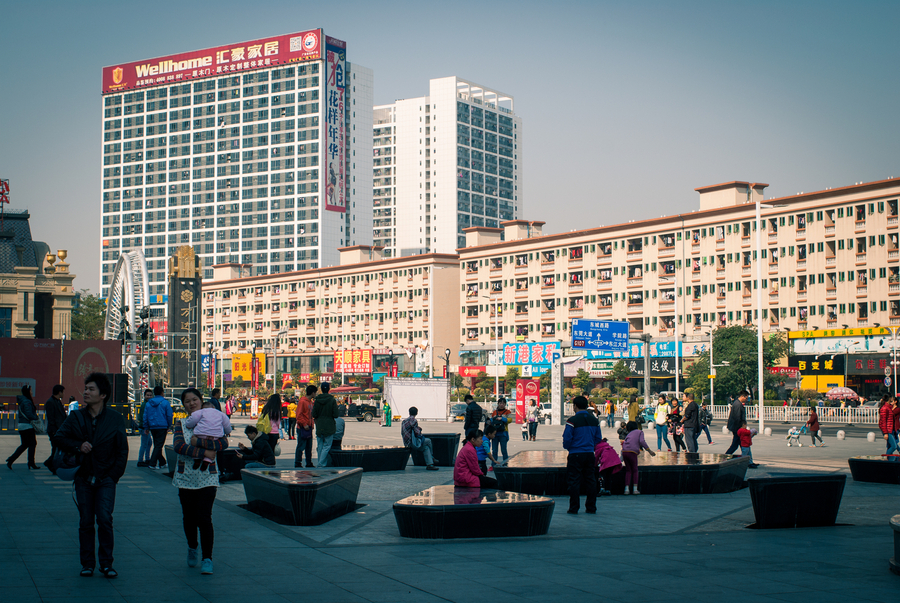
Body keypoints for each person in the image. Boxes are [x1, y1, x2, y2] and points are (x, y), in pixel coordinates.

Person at [52, 373, 128, 578]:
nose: (86, 392)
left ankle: (106, 563)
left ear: (103, 394)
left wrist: (114, 476)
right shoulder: (76, 416)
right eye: (85, 388)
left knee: (104, 519)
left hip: (106, 478)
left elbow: (122, 450)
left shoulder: (115, 419)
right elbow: (59, 438)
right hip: (83, 477)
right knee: (86, 521)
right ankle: (87, 563)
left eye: (91, 389)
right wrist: (78, 446)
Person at [172, 387, 228, 576]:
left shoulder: (212, 419)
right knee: (189, 518)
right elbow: (179, 446)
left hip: (208, 477)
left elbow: (223, 443)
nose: (192, 403)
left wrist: (199, 443)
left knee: (204, 518)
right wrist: (205, 452)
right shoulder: (181, 424)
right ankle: (192, 546)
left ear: (200, 400)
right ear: (184, 405)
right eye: (187, 401)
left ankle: (207, 558)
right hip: (185, 477)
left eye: (194, 399)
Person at [562, 396, 603, 514]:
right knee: (590, 480)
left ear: (575, 406)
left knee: (574, 481)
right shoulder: (594, 421)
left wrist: (569, 447)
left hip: (575, 454)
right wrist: (590, 446)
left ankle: (574, 508)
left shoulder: (572, 421)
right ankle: (591, 507)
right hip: (590, 454)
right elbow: (598, 438)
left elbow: (567, 438)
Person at [183, 399, 232, 471]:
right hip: (215, 436)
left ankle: (197, 459)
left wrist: (188, 425)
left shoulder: (201, 412)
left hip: (201, 434)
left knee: (197, 445)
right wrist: (227, 432)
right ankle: (207, 461)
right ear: (213, 407)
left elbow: (193, 419)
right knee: (211, 448)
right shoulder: (221, 414)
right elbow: (227, 424)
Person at [6, 385, 40, 470]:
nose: (32, 392)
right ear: (27, 391)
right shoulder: (27, 402)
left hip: (22, 426)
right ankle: (31, 463)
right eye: (31, 390)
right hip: (27, 426)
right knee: (32, 444)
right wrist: (35, 417)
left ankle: (11, 460)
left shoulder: (23, 401)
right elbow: (29, 414)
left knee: (25, 445)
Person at [622, 420, 656, 495]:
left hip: (625, 452)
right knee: (634, 470)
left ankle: (626, 489)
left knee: (628, 470)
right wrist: (649, 451)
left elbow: (624, 443)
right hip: (632, 452)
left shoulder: (629, 434)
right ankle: (635, 489)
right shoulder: (640, 432)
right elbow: (642, 441)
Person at [143, 386, 173, 471]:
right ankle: (152, 463)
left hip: (152, 426)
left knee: (157, 445)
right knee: (159, 445)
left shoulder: (149, 403)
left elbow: (145, 416)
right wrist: (169, 425)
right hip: (162, 426)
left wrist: (146, 426)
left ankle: (162, 462)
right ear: (162, 393)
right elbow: (169, 415)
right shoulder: (165, 403)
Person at [312, 382, 339, 467]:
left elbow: (314, 414)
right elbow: (336, 414)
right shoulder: (332, 400)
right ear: (328, 389)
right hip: (329, 425)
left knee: (320, 445)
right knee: (327, 446)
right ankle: (321, 463)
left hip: (319, 425)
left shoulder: (317, 400)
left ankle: (321, 462)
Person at [43, 384, 67, 472]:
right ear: (59, 392)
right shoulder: (50, 402)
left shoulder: (57, 401)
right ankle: (51, 464)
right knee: (56, 448)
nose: (64, 394)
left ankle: (49, 463)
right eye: (63, 392)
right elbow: (51, 418)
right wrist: (54, 431)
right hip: (54, 430)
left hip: (59, 430)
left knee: (56, 448)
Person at [294, 385, 316, 468]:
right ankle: (298, 462)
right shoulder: (302, 401)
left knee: (309, 447)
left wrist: (312, 424)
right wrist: (304, 424)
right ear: (313, 393)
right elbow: (298, 415)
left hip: (309, 426)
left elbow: (311, 415)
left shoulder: (310, 402)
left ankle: (308, 462)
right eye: (315, 392)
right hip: (302, 427)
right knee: (301, 446)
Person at [725, 391, 748, 455]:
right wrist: (741, 428)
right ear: (742, 396)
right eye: (746, 398)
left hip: (737, 428)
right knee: (735, 445)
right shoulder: (738, 404)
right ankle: (725, 456)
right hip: (737, 428)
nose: (746, 400)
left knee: (743, 445)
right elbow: (737, 418)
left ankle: (749, 461)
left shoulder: (737, 403)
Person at [490, 398, 513, 463]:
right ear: (498, 404)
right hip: (494, 434)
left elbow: (510, 420)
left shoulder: (507, 412)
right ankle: (493, 464)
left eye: (503, 403)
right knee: (494, 451)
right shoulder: (494, 412)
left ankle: (505, 463)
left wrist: (502, 419)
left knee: (504, 450)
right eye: (500, 403)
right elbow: (491, 421)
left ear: (505, 404)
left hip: (503, 433)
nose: (501, 405)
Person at [136, 389, 153, 468]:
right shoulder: (145, 404)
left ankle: (147, 458)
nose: (149, 396)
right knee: (144, 444)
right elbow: (143, 417)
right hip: (144, 427)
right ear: (144, 396)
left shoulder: (147, 404)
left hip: (145, 426)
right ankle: (140, 460)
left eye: (150, 395)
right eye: (147, 395)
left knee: (149, 443)